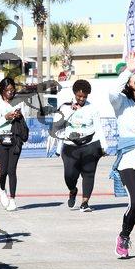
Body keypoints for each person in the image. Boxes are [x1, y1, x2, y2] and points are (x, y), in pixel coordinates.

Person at [53, 79, 107, 211]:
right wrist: (71, 110)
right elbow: (57, 124)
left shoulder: (92, 108)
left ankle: (85, 203)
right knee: (69, 175)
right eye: (79, 96)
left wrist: (104, 146)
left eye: (84, 96)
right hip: (70, 146)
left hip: (90, 145)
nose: (81, 99)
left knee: (89, 173)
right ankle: (73, 190)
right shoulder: (65, 106)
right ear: (74, 93)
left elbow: (98, 128)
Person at [109, 52, 135, 258]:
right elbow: (112, 92)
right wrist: (129, 70)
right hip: (130, 160)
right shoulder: (122, 103)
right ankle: (124, 236)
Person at [0, 77, 27, 211]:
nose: (10, 92)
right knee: (3, 171)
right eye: (7, 90)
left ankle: (12, 200)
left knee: (12, 170)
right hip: (1, 141)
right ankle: (2, 189)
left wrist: (19, 116)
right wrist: (6, 117)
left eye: (12, 89)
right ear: (2, 90)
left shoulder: (19, 102)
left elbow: (24, 122)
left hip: (15, 140)